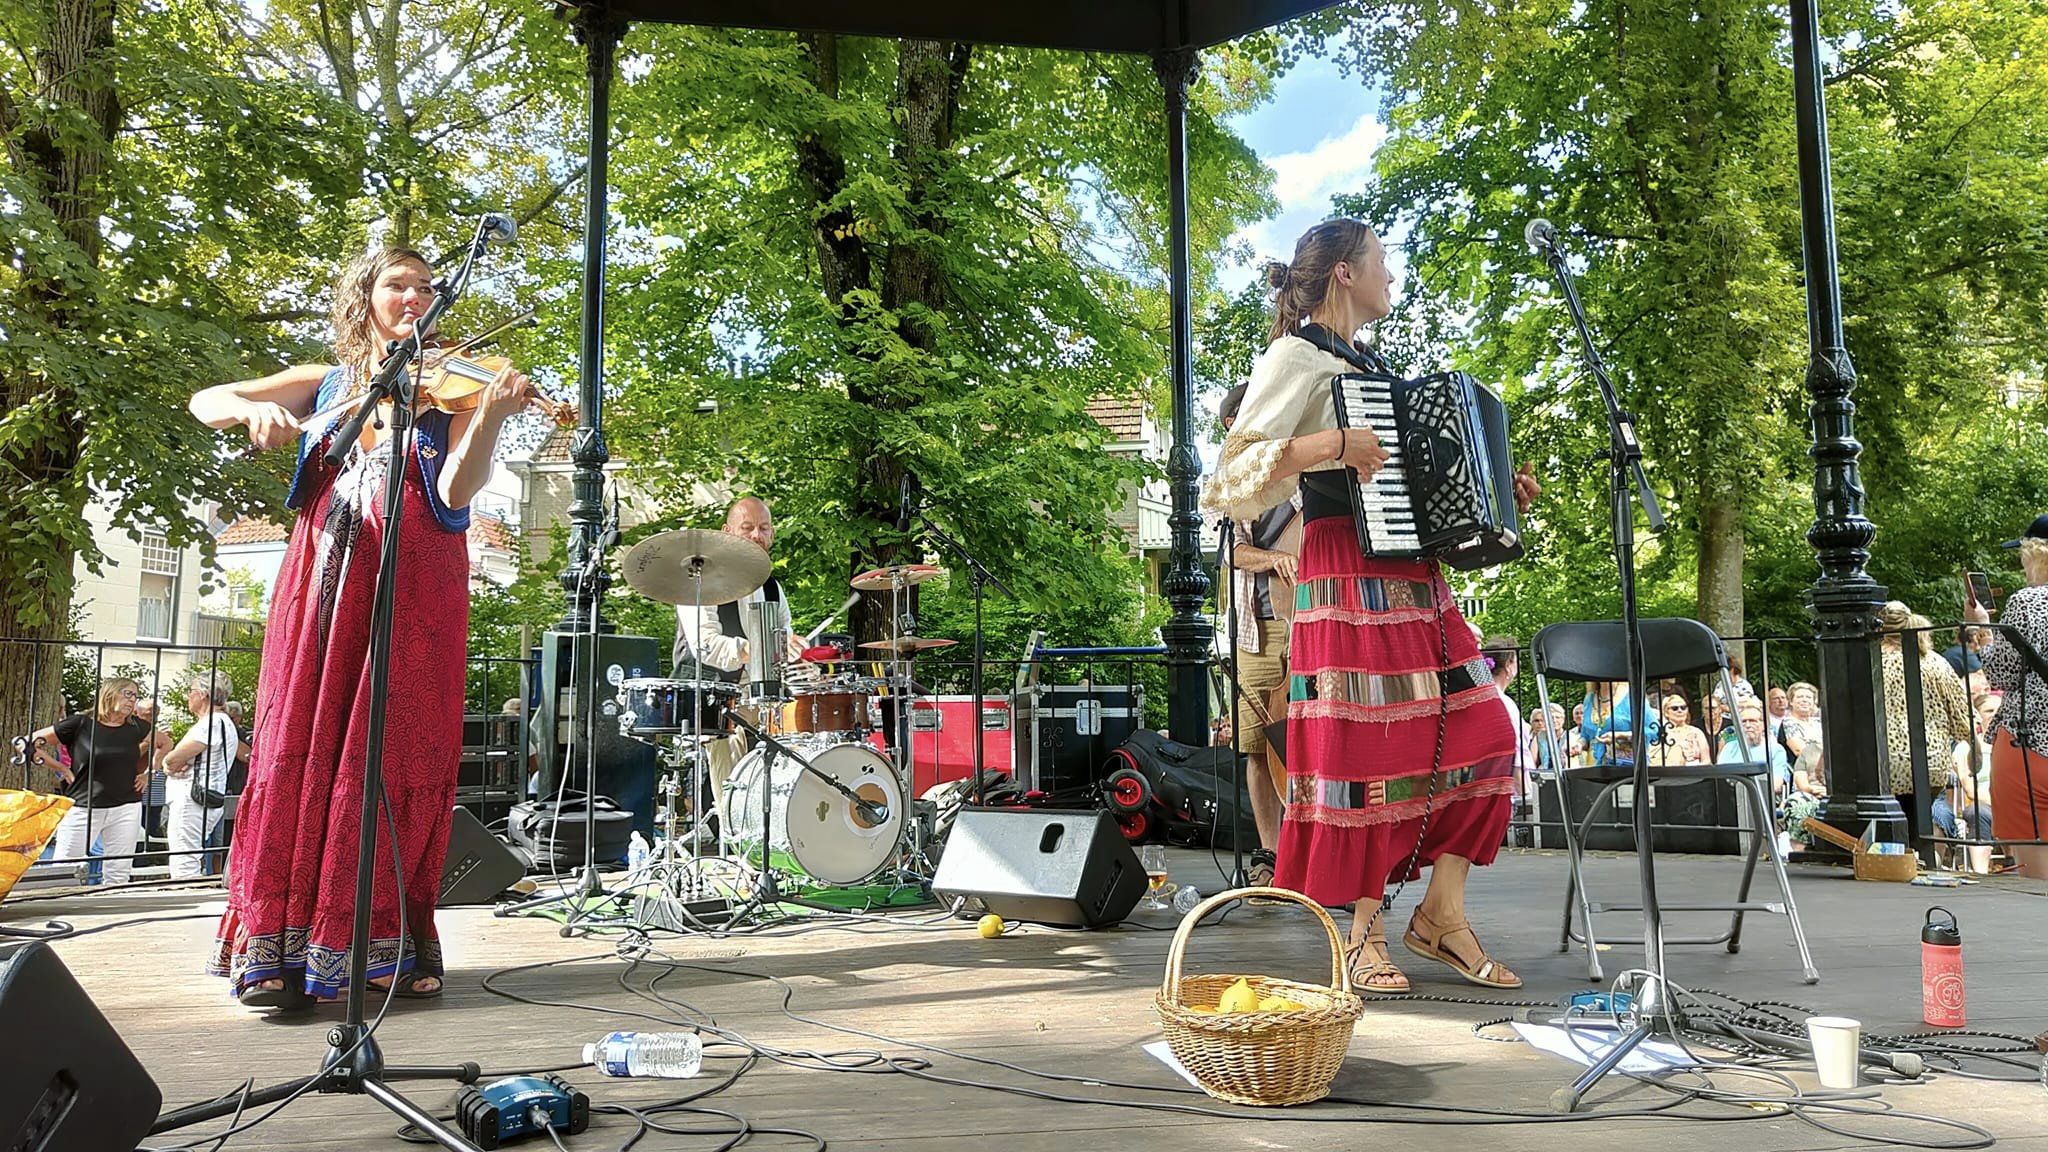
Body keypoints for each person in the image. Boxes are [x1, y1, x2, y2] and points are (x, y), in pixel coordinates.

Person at [1202, 217, 1540, 994]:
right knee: (1362, 755)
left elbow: (1418, 489)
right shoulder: (1294, 356)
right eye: (1381, 261)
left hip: (1415, 578)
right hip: (1342, 569)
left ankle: (1440, 915)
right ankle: (1362, 937)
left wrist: (1493, 493)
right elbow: (1228, 476)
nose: (1392, 275)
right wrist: (1330, 446)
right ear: (1345, 273)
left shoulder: (1375, 369)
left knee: (1489, 731)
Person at [188, 246, 532, 1008]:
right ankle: (278, 946)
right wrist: (252, 411)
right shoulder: (330, 383)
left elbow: (456, 491)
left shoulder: (451, 391)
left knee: (396, 745)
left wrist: (489, 419)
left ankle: (383, 940)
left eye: (426, 287)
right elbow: (207, 398)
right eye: (397, 284)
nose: (414, 297)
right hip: (325, 573)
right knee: (304, 735)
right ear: (365, 298)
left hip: (416, 579)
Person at [1217, 381, 1302, 888]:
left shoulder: (1301, 463)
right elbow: (1230, 553)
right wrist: (1275, 559)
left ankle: (1313, 851)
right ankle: (1270, 854)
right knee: (1255, 744)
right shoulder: (1230, 482)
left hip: (1313, 624)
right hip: (1258, 631)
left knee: (1315, 745)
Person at [673, 497, 799, 835]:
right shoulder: (701, 580)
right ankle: (736, 837)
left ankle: (783, 834)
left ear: (772, 534)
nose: (757, 535)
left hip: (760, 698)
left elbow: (783, 638)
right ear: (727, 532)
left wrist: (794, 651)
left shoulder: (772, 587)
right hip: (712, 696)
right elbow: (706, 645)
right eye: (747, 528)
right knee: (730, 756)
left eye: (764, 528)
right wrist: (754, 648)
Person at [1967, 513, 2048, 877]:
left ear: (2036, 554)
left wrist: (1983, 629)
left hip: (2030, 741)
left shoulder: (2028, 602)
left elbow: (2002, 673)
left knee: (2037, 878)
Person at [30, 678, 153, 885]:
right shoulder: (81, 724)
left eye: (135, 695)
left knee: (119, 873)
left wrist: (149, 773)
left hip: (126, 807)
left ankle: (113, 902)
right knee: (64, 869)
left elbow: (165, 743)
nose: (133, 700)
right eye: (128, 693)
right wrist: (61, 768)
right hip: (84, 806)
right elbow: (28, 743)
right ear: (110, 694)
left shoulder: (137, 727)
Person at [1878, 604, 1973, 848]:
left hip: (1880, 762)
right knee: (1917, 827)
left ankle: (1889, 860)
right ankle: (1918, 858)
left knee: (1884, 829)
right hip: (1928, 760)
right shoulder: (1935, 662)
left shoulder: (1870, 662)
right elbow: (1961, 716)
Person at [161, 681, 239, 879]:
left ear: (203, 694)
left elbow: (173, 759)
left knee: (184, 859)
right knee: (190, 853)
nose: (188, 696)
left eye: (191, 691)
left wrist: (167, 763)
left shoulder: (211, 723)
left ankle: (184, 893)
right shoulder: (223, 722)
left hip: (192, 797)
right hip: (208, 795)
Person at [1580, 680, 1660, 767]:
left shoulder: (1633, 696)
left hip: (1627, 769)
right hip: (1594, 769)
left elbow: (1655, 731)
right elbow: (1585, 736)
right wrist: (1579, 744)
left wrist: (1621, 735)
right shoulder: (1589, 699)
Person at [1649, 692, 1711, 767]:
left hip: (1694, 772)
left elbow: (1707, 760)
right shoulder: (1660, 733)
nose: (1680, 710)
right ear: (1666, 713)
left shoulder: (1696, 732)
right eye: (1675, 708)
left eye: (1683, 707)